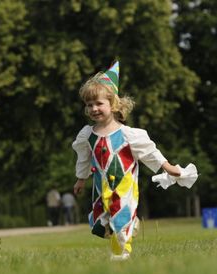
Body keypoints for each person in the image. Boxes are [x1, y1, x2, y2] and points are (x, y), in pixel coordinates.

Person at [72, 61, 183, 261]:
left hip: (124, 187)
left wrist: (168, 168)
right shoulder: (88, 135)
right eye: (89, 105)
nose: (94, 109)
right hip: (100, 187)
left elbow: (150, 153)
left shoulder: (128, 135)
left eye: (99, 104)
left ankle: (121, 255)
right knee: (99, 224)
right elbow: (84, 158)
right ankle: (128, 230)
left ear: (112, 104)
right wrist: (81, 179)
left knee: (120, 218)